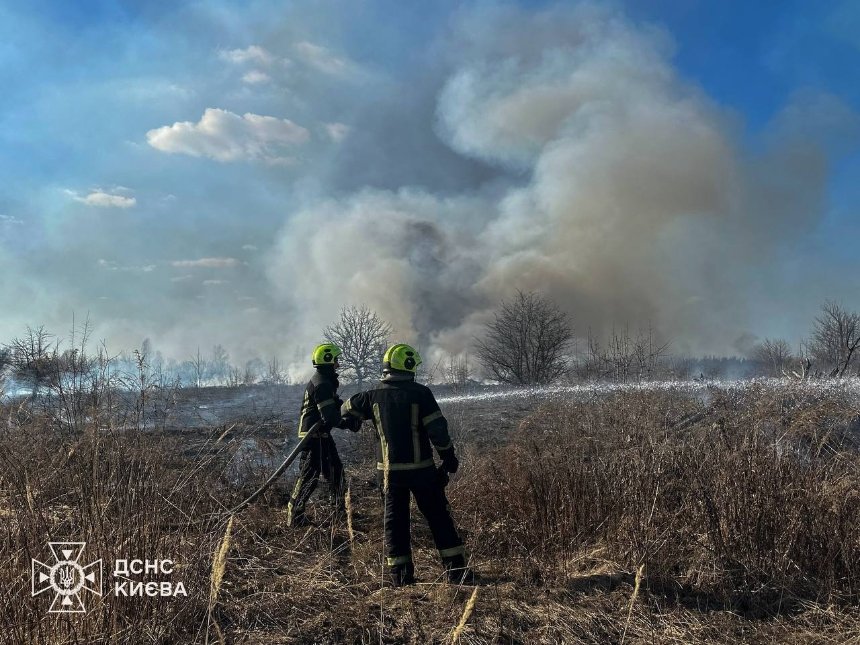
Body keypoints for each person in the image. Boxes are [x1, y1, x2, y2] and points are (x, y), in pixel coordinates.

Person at [341, 343, 474, 586]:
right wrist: (448, 456)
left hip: (389, 474)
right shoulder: (421, 394)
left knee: (395, 522)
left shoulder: (372, 396)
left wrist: (350, 420)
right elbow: (438, 430)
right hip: (421, 471)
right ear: (409, 366)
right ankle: (457, 572)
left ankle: (400, 577)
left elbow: (346, 408)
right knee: (438, 517)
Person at [285, 343, 350, 527]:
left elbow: (335, 405)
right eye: (336, 360)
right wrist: (347, 422)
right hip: (311, 437)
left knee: (336, 472)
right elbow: (329, 416)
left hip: (320, 435)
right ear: (329, 361)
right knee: (309, 477)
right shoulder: (321, 383)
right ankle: (294, 514)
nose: (338, 364)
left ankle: (339, 511)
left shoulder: (324, 381)